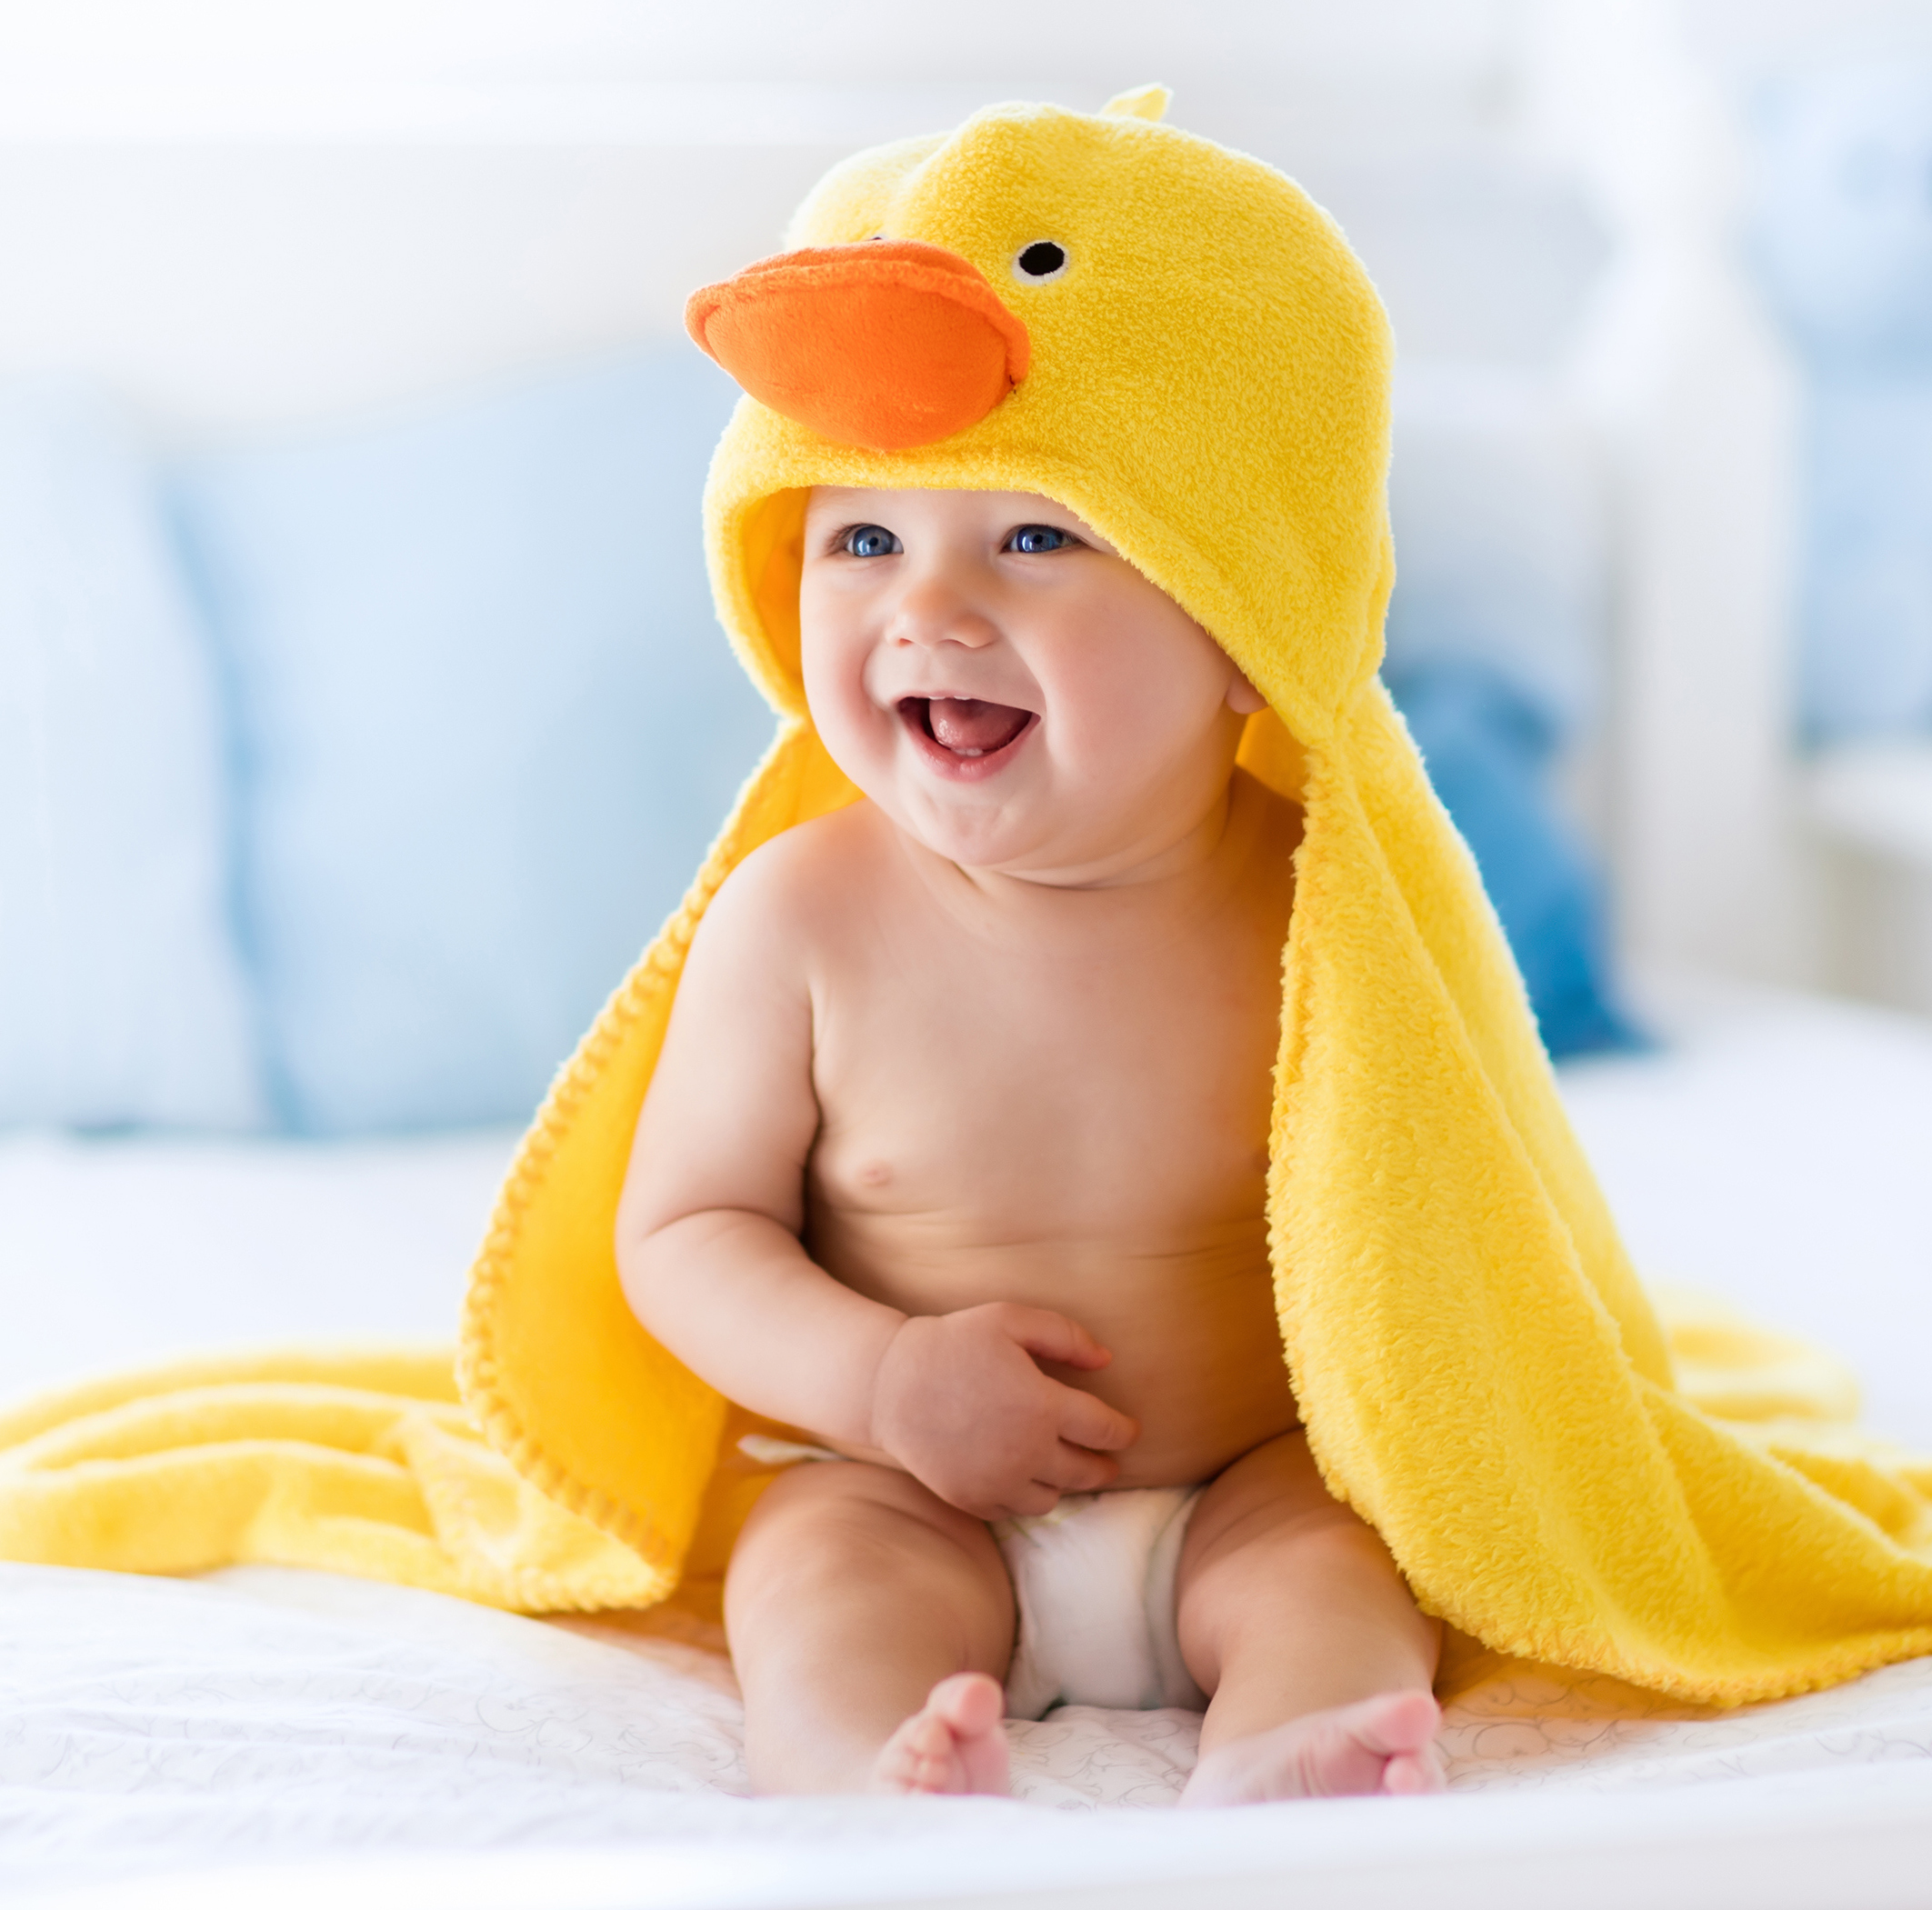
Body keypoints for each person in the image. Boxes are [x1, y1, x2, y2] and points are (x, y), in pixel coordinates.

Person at [614, 480, 1444, 1803]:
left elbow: (1462, 1208)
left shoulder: (1330, 907)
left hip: (1251, 1479)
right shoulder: (800, 916)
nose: (926, 605)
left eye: (1037, 537)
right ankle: (859, 1779)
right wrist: (882, 1380)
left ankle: (1291, 1760)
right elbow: (682, 1230)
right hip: (905, 1490)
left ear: (1244, 628)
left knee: (1342, 1567)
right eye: (865, 541)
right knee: (814, 1570)